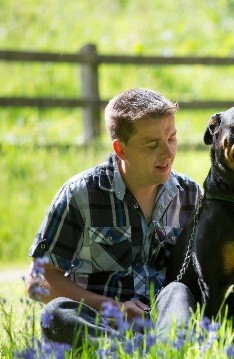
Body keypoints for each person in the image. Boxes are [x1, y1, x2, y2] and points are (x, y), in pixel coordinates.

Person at [26, 88, 202, 348]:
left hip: (165, 322)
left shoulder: (190, 194)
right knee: (57, 314)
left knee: (178, 293)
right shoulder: (80, 193)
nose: (168, 153)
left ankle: (160, 350)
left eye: (172, 138)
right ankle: (130, 351)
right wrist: (114, 308)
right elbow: (38, 279)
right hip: (101, 322)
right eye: (153, 144)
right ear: (121, 149)